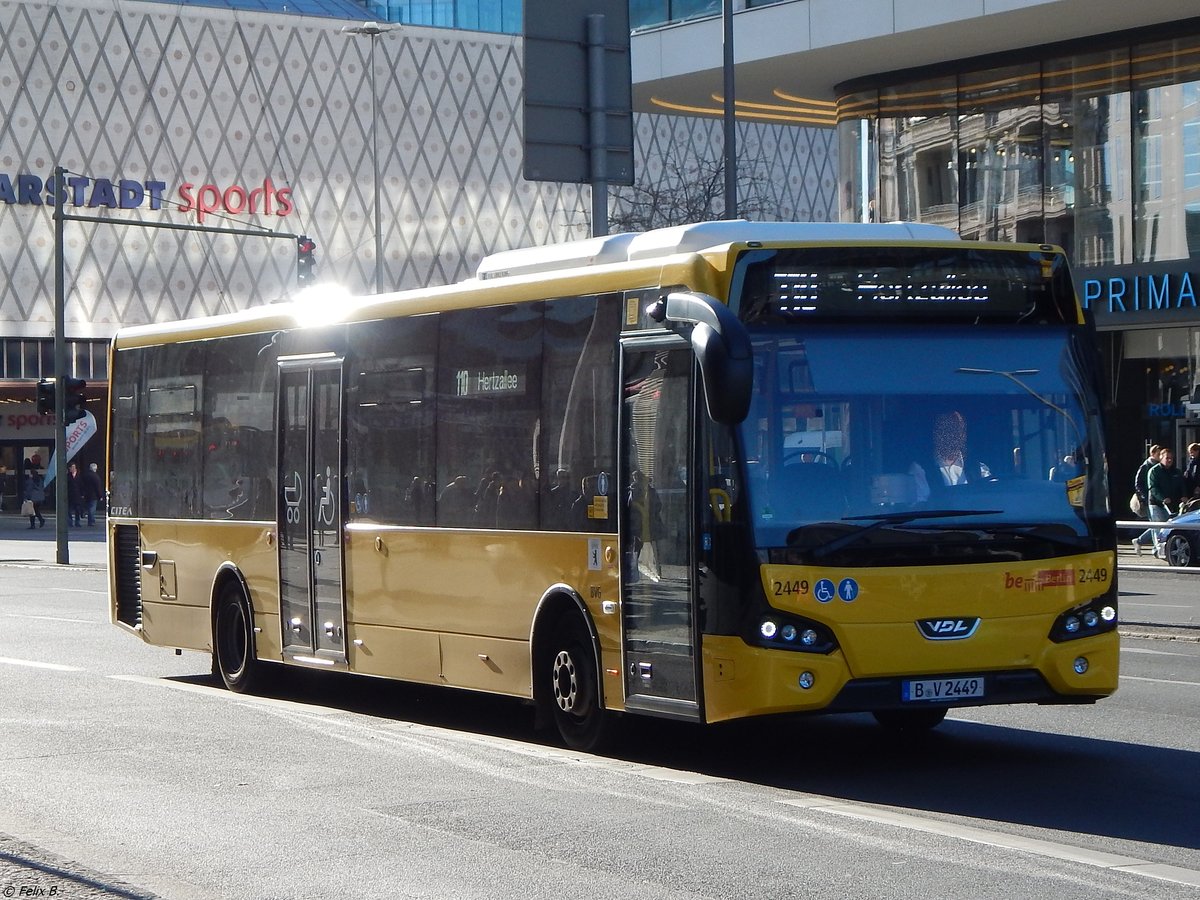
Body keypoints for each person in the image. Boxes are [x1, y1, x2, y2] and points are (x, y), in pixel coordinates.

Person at [909, 410, 990, 502]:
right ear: (938, 432)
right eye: (949, 429)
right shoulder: (920, 469)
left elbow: (994, 498)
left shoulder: (979, 469)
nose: (956, 435)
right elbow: (920, 509)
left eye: (960, 430)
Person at [1145, 447, 1186, 558]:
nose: (1169, 460)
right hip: (1157, 504)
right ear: (1161, 458)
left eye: (1171, 458)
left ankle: (1167, 548)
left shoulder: (1176, 472)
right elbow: (1153, 488)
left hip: (1172, 504)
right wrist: (1162, 498)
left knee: (1171, 526)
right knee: (1159, 526)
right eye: (1167, 458)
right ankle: (1158, 549)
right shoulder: (1154, 471)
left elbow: (1182, 485)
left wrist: (1183, 496)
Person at [1133, 444, 1162, 549]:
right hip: (1150, 499)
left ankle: (1139, 541)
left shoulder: (1160, 466)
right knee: (1156, 523)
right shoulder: (1146, 466)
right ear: (1153, 454)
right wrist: (1144, 496)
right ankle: (1156, 547)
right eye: (1158, 454)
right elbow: (1138, 483)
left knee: (1158, 523)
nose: (1160, 456)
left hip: (1157, 498)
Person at [22, 459, 45, 529]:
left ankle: (33, 525)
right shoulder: (40, 480)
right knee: (36, 510)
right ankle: (41, 520)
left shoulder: (30, 481)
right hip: (40, 498)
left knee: (32, 512)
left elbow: (29, 490)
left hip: (33, 498)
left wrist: (26, 498)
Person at [82, 462, 104, 526]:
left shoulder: (85, 475)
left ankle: (89, 519)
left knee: (89, 507)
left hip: (86, 494)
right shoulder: (96, 477)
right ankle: (91, 521)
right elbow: (98, 487)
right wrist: (100, 496)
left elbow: (82, 485)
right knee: (92, 509)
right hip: (93, 496)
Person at [66, 462, 84, 527]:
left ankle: (77, 522)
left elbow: (82, 485)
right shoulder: (67, 476)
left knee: (77, 510)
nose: (73, 469)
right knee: (69, 510)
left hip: (77, 495)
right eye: (71, 467)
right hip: (70, 495)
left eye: (74, 467)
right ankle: (70, 522)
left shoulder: (79, 476)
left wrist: (82, 494)